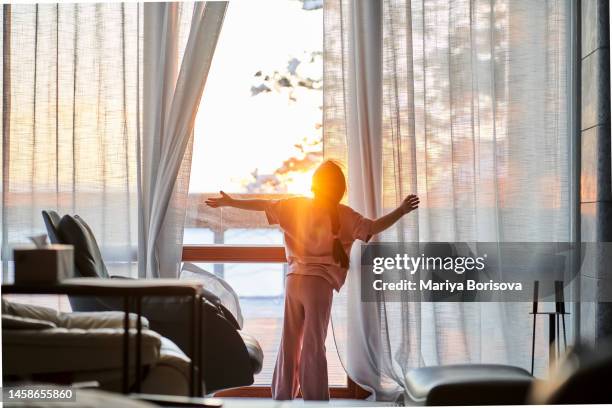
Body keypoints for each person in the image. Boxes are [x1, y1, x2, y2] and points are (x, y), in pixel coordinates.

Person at [205, 160, 419, 400]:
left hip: (294, 281)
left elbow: (262, 204)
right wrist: (400, 210)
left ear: (315, 184)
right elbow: (373, 227)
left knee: (289, 341)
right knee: (314, 345)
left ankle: (282, 397)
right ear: (340, 189)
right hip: (319, 286)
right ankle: (315, 400)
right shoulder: (345, 215)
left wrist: (231, 201)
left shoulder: (296, 205)